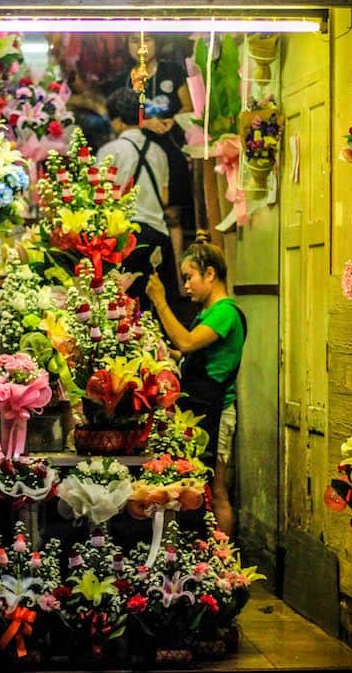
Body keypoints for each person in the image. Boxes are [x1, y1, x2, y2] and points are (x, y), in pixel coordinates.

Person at [146, 233, 247, 538]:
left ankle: (226, 566)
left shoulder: (226, 312)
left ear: (210, 273)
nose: (186, 285)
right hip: (199, 408)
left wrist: (161, 303)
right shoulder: (207, 313)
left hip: (217, 410)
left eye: (189, 277)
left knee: (216, 491)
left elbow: (187, 343)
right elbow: (187, 352)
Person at [110, 34, 195, 293]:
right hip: (138, 151)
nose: (141, 47)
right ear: (127, 46)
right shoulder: (123, 80)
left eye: (147, 41)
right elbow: (116, 121)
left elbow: (189, 107)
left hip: (170, 149)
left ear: (157, 43)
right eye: (134, 41)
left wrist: (171, 121)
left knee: (173, 215)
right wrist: (145, 123)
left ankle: (180, 281)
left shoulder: (173, 72)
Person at [96, 87, 178, 309]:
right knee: (153, 306)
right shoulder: (159, 152)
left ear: (117, 120)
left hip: (123, 239)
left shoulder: (110, 151)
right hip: (157, 236)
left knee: (121, 307)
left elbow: (98, 198)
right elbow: (165, 198)